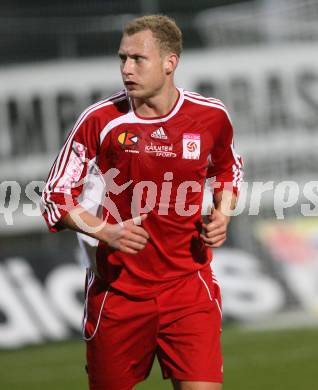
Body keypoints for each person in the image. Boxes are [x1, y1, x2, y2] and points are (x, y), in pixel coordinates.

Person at [41, 14, 243, 390]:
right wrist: (106, 232)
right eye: (122, 58)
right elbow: (54, 197)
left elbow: (229, 167)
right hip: (118, 292)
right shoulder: (100, 121)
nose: (126, 69)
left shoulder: (211, 116)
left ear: (170, 62)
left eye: (138, 59)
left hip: (188, 286)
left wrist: (223, 213)